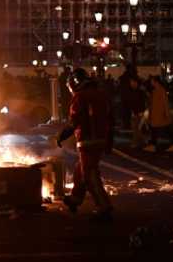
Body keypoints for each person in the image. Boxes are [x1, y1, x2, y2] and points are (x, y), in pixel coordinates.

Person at [57, 68, 114, 221]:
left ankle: (104, 206)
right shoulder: (100, 94)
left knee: (89, 173)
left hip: (88, 139)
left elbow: (75, 120)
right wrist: (109, 140)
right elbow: (110, 118)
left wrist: (62, 135)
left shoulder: (80, 97)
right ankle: (75, 198)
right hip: (101, 138)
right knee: (80, 169)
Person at [146, 75, 173, 152]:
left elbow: (165, 103)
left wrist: (167, 113)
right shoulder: (156, 90)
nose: (151, 82)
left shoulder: (161, 90)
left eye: (152, 81)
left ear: (155, 81)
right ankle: (154, 145)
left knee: (165, 129)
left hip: (160, 114)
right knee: (161, 129)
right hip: (157, 114)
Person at [127, 77, 149, 150]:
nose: (131, 84)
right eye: (130, 83)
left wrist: (141, 112)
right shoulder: (132, 91)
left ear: (136, 83)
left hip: (139, 112)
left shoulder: (140, 92)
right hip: (134, 112)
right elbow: (131, 102)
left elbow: (142, 102)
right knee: (136, 128)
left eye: (132, 82)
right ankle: (140, 142)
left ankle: (138, 142)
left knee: (137, 128)